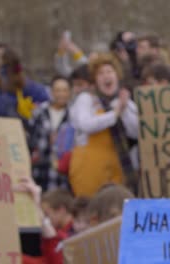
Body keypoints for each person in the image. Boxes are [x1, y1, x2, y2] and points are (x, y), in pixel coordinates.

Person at [69, 53, 139, 197]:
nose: (106, 76)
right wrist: (115, 114)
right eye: (100, 73)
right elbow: (86, 124)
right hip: (89, 170)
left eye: (109, 71)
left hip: (117, 169)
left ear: (117, 76)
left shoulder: (124, 101)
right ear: (95, 80)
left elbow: (137, 132)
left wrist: (124, 110)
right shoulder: (86, 99)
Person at [29, 76, 72, 192]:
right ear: (52, 92)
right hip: (40, 172)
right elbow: (29, 138)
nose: (61, 94)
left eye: (64, 90)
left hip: (63, 177)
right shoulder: (39, 112)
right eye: (57, 90)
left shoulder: (74, 116)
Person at [1, 48, 50, 120]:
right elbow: (44, 97)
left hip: (8, 120)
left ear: (3, 61)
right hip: (26, 119)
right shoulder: (25, 80)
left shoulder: (0, 80)